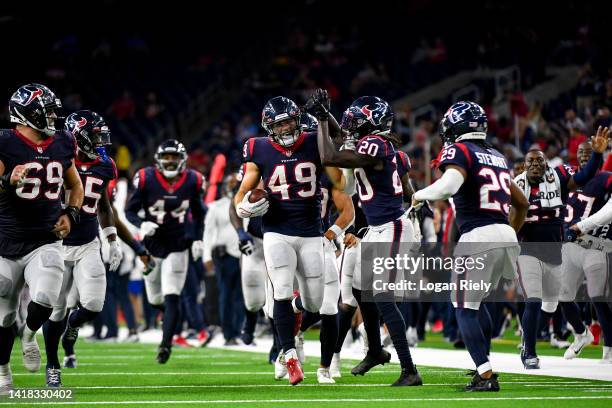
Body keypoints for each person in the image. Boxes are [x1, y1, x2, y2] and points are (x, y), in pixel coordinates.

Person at [413, 101, 529, 391]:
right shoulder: (497, 155)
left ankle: (485, 374)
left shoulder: (460, 150)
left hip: (478, 235)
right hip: (504, 234)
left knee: (463, 306)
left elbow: (449, 186)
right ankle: (483, 362)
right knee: (480, 304)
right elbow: (522, 203)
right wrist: (505, 232)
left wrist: (418, 194)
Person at [312, 89, 423, 386]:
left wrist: (322, 119)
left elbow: (329, 154)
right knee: (361, 290)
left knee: (383, 298)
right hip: (377, 229)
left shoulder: (376, 144)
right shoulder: (377, 144)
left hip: (392, 227)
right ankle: (374, 349)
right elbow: (341, 138)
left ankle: (409, 369)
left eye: (358, 118)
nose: (351, 122)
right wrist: (326, 114)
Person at [235, 96, 326, 385]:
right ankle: (288, 355)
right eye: (279, 123)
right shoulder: (257, 148)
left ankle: (295, 316)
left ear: (297, 119)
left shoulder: (314, 141)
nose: (285, 127)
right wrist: (243, 206)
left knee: (315, 303)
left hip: (311, 229)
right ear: (268, 127)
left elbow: (338, 175)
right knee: (281, 292)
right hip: (276, 229)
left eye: (288, 120)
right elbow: (243, 191)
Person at [0, 84, 84, 395]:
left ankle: (29, 333)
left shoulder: (62, 142)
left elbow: (75, 185)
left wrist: (71, 215)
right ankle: (4, 371)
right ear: (25, 113)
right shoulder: (5, 143)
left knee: (47, 296)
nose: (52, 116)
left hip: (45, 238)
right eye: (45, 110)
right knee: (3, 315)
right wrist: (7, 182)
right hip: (5, 242)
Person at [513, 126, 607, 369]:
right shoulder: (515, 185)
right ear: (524, 166)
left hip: (555, 251)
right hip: (528, 250)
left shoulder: (558, 177)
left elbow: (584, 176)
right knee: (533, 300)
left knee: (554, 302)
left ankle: (575, 333)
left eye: (539, 161)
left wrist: (597, 155)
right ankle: (530, 352)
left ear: (546, 164)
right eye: (530, 161)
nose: (535, 165)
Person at [41, 110, 122, 387]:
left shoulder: (105, 165)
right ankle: (52, 364)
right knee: (55, 310)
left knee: (94, 304)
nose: (101, 141)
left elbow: (104, 205)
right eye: (96, 135)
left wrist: (112, 239)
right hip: (57, 245)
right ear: (80, 136)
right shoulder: (58, 159)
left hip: (88, 243)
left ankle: (73, 327)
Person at [125, 139, 205, 364]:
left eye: (174, 157)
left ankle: (165, 344)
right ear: (159, 160)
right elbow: (129, 210)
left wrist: (198, 238)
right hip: (151, 247)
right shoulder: (146, 178)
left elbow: (199, 213)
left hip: (178, 244)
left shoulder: (193, 180)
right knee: (154, 299)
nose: (170, 162)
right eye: (167, 157)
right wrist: (141, 224)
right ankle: (172, 318)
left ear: (182, 160)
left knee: (172, 295)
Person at [562, 134, 612, 363]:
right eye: (581, 152)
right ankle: (581, 334)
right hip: (568, 245)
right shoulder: (570, 178)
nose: (584, 155)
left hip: (593, 245)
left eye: (589, 152)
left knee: (597, 297)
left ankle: (609, 348)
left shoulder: (605, 178)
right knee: (562, 296)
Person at [203, 173, 243, 345]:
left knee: (243, 296)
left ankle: (240, 331)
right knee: (226, 295)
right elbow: (208, 232)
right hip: (224, 255)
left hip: (246, 255)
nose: (233, 186)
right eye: (231, 183)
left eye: (236, 183)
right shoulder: (216, 206)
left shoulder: (246, 203)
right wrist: (207, 255)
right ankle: (229, 334)